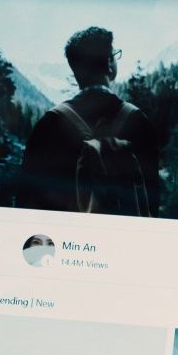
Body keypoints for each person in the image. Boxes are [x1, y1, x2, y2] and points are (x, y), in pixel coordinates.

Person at [20, 26, 162, 215]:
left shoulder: (49, 125)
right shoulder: (137, 121)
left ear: (75, 70)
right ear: (110, 64)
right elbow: (151, 201)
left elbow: (27, 200)